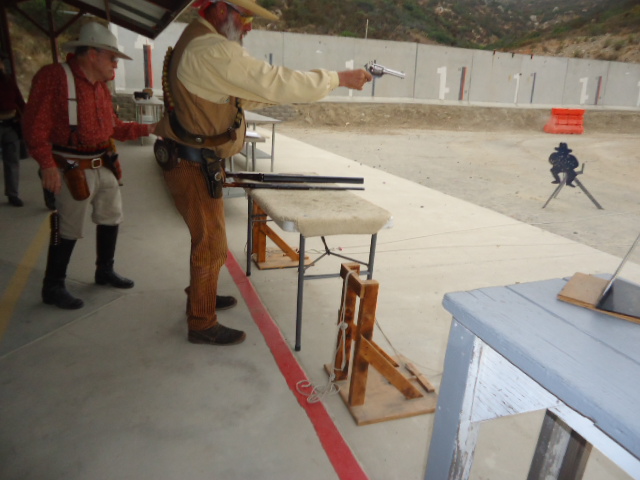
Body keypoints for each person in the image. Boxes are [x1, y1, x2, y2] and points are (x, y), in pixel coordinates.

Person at [154, 0, 373, 346]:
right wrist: (337, 79)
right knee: (211, 244)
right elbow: (270, 81)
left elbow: (246, 93)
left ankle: (202, 294)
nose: (249, 26)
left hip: (194, 157)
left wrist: (281, 92)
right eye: (245, 16)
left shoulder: (199, 42)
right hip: (192, 161)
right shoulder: (212, 48)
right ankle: (201, 321)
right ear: (221, 10)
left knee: (210, 240)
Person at [22, 22, 155, 310]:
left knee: (111, 216)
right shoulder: (55, 77)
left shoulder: (101, 88)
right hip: (71, 166)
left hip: (103, 162)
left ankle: (104, 270)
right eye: (112, 58)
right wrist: (47, 165)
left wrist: (151, 128)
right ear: (92, 54)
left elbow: (113, 127)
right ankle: (53, 285)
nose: (115, 65)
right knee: (68, 226)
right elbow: (34, 127)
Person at [0, 50, 26, 207]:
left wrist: (25, 118)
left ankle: (13, 194)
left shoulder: (8, 81)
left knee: (12, 161)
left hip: (10, 124)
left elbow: (19, 101)